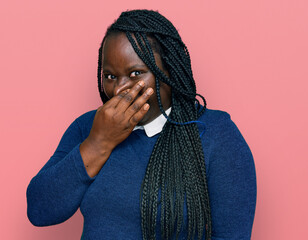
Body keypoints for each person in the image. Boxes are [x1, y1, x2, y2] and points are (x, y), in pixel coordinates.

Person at [27, 9, 257, 240]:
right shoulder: (88, 127)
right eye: (110, 76)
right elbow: (39, 210)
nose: (118, 89)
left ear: (169, 71)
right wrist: (99, 142)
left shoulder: (214, 134)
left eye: (136, 73)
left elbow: (231, 235)